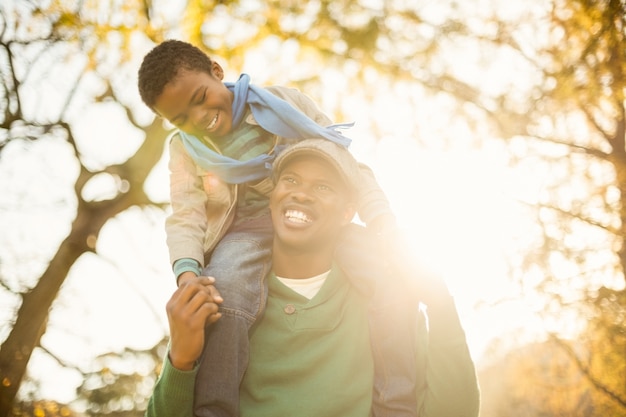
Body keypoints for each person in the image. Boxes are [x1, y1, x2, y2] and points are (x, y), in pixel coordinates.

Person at [137, 40, 409, 416]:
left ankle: (398, 402)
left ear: (217, 71)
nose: (198, 118)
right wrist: (187, 272)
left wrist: (380, 218)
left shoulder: (285, 104)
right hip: (244, 233)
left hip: (313, 218)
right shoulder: (185, 151)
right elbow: (185, 214)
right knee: (223, 293)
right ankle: (214, 406)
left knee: (387, 275)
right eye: (181, 118)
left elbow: (343, 160)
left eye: (200, 97)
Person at [145, 139, 480, 417]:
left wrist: (441, 307)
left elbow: (453, 410)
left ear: (348, 212)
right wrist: (181, 361)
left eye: (323, 186)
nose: (301, 194)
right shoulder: (227, 304)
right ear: (272, 198)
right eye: (290, 180)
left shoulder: (386, 306)